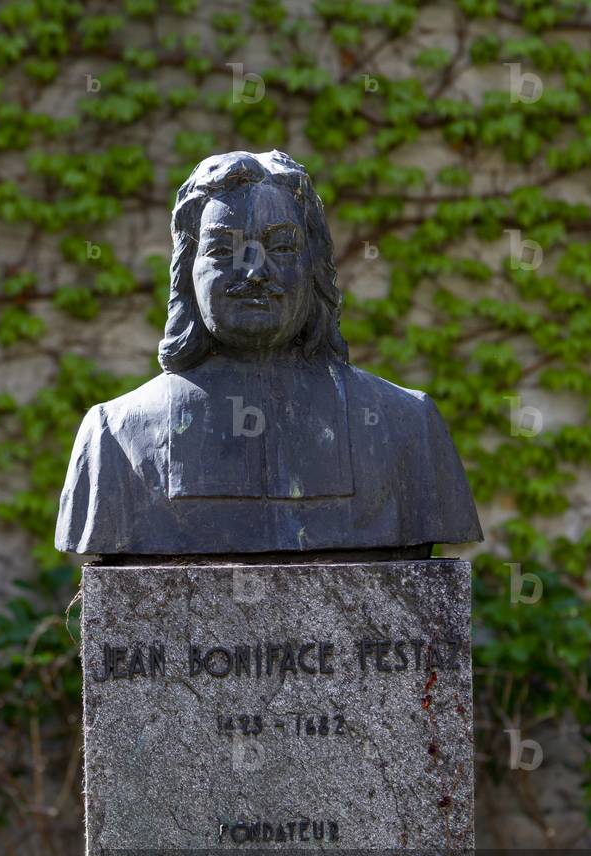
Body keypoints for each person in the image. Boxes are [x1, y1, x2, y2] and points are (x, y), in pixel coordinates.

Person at [55, 150, 482, 556]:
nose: (255, 272)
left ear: (314, 268)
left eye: (281, 248)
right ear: (187, 272)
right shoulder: (114, 439)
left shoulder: (408, 427)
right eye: (223, 250)